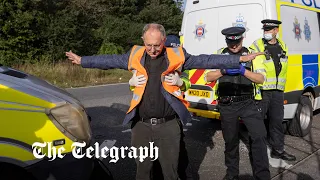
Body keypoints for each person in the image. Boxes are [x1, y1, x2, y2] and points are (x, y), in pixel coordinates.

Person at [66, 23, 262, 180]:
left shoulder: (177, 55)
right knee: (143, 172)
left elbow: (207, 60)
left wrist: (239, 59)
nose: (152, 50)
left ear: (164, 41)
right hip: (140, 126)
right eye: (148, 45)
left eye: (157, 45)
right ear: (143, 40)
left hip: (168, 125)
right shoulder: (134, 55)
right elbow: (108, 60)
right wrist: (83, 60)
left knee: (170, 173)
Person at [205, 27, 270, 180]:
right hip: (227, 104)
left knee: (259, 137)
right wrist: (223, 72)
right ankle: (232, 174)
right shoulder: (220, 54)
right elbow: (208, 76)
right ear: (226, 40)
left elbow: (261, 79)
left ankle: (262, 176)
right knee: (231, 142)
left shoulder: (252, 54)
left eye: (237, 42)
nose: (234, 46)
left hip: (248, 102)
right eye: (230, 42)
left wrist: (243, 71)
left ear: (242, 38)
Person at [128, 33, 191, 180]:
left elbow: (187, 82)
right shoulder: (148, 59)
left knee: (176, 162)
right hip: (145, 122)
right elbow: (141, 87)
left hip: (171, 117)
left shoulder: (180, 62)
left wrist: (181, 82)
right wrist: (130, 84)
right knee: (148, 167)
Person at [250, 19, 296, 161]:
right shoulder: (257, 45)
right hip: (262, 90)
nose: (266, 33)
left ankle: (278, 150)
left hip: (277, 91)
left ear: (276, 31)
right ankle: (256, 152)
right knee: (257, 123)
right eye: (265, 30)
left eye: (269, 30)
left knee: (277, 122)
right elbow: (258, 68)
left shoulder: (283, 45)